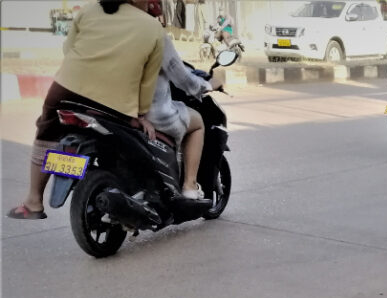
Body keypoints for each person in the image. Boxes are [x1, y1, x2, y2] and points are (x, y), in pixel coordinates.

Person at [7, 0, 165, 220]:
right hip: (116, 101)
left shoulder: (90, 9)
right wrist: (141, 115)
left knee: (47, 132)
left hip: (66, 90)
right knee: (125, 141)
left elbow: (68, 49)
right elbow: (148, 80)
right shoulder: (153, 27)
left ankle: (33, 200)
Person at [141, 1, 225, 199]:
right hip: (152, 112)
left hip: (113, 107)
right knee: (198, 123)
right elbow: (183, 78)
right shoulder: (155, 35)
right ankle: (189, 185)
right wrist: (209, 85)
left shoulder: (110, 32)